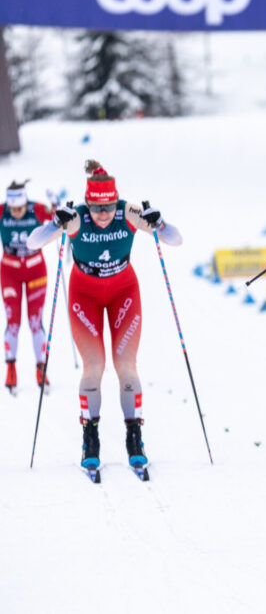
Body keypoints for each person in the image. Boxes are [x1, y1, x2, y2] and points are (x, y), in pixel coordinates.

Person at [28, 160, 182, 472]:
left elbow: (176, 239)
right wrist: (54, 225)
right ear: (88, 203)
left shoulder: (128, 212)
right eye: (97, 208)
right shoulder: (76, 218)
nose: (103, 215)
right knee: (94, 366)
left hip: (124, 293)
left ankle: (134, 435)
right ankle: (90, 435)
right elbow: (33, 243)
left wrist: (160, 223)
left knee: (126, 364)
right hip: (85, 296)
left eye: (109, 206)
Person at [1, 180, 57, 395]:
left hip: (35, 271)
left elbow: (58, 219)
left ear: (25, 203)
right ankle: (11, 368)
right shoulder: (2, 211)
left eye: (20, 209)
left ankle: (41, 369)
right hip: (10, 272)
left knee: (35, 321)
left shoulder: (36, 209)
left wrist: (56, 206)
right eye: (13, 209)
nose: (16, 213)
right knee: (13, 321)